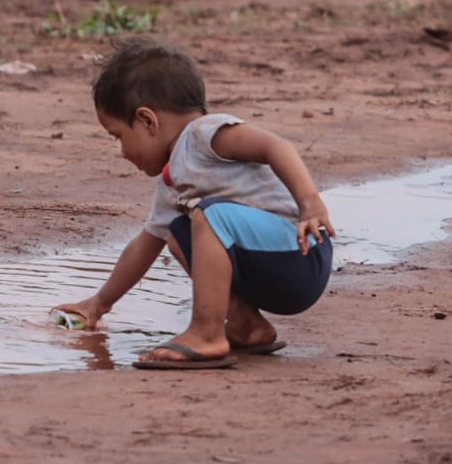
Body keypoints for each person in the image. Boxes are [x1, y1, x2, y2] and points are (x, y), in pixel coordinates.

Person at [54, 37, 335, 369]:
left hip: (300, 253)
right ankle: (246, 324)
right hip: (271, 265)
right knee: (178, 231)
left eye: (119, 136)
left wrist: (310, 204)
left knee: (207, 215)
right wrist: (98, 304)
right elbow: (144, 246)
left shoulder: (205, 133)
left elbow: (277, 147)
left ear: (147, 121)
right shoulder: (173, 182)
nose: (122, 151)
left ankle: (206, 334)